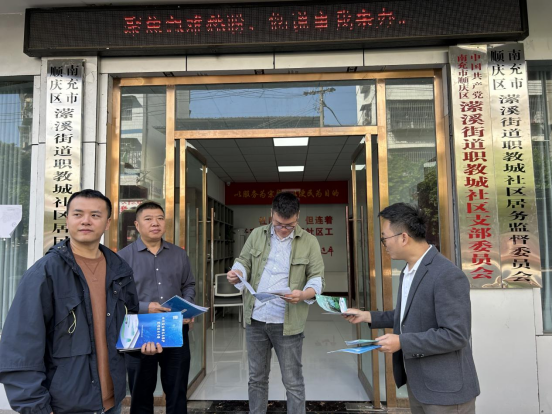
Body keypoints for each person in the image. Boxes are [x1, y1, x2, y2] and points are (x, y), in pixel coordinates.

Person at [0, 189, 161, 414]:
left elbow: (126, 325)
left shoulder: (120, 270)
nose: (86, 221)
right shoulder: (45, 273)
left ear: (107, 222)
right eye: (78, 214)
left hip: (112, 401)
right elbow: (21, 346)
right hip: (65, 405)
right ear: (67, 219)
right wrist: (36, 408)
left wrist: (142, 345)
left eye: (95, 215)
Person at [344, 203, 480, 414]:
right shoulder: (409, 271)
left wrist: (401, 342)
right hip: (420, 385)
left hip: (446, 392)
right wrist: (368, 316)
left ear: (403, 238)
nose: (384, 244)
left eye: (384, 238)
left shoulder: (446, 274)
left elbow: (456, 335)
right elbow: (407, 316)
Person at [227, 192, 325, 414]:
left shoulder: (309, 241)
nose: (283, 229)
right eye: (279, 224)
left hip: (287, 323)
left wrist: (303, 295)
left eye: (289, 225)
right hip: (256, 318)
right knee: (256, 378)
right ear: (271, 214)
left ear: (298, 216)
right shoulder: (257, 234)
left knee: (293, 381)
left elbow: (317, 277)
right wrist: (237, 273)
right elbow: (243, 261)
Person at [118, 201, 196, 414]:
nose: (155, 223)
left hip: (174, 327)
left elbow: (188, 285)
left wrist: (187, 307)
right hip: (139, 328)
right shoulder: (122, 257)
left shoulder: (178, 254)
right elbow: (117, 296)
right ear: (137, 225)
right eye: (148, 219)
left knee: (177, 389)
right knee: (141, 393)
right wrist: (144, 307)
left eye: (160, 218)